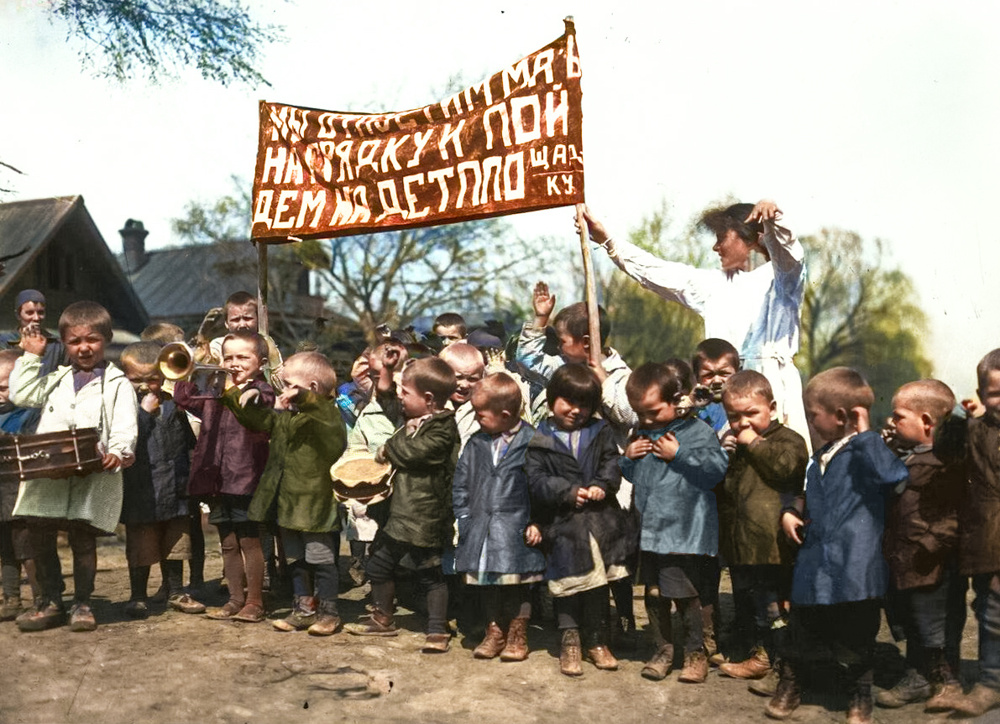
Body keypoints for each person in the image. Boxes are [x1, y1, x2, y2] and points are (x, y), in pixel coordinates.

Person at [579, 201, 808, 444]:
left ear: (752, 238)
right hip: (723, 393)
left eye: (721, 237)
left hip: (773, 387)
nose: (715, 247)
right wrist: (607, 240)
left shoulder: (783, 279)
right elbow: (656, 272)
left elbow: (790, 255)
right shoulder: (714, 285)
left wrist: (775, 222)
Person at [767, 367, 908, 724]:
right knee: (804, 626)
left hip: (855, 563)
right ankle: (792, 681)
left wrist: (865, 432)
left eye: (813, 415)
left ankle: (860, 693)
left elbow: (894, 477)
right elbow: (808, 495)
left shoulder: (867, 452)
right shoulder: (821, 458)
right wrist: (790, 510)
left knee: (858, 633)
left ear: (842, 417)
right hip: (816, 559)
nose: (810, 422)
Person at [10, 301, 138, 632]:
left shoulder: (118, 384)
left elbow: (125, 426)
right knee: (40, 534)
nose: (83, 348)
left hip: (92, 473)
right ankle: (51, 600)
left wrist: (119, 451)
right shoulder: (54, 378)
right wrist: (32, 356)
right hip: (47, 474)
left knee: (83, 538)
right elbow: (21, 394)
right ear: (64, 344)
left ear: (107, 338)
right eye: (75, 341)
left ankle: (82, 602)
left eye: (92, 340)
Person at [223, 352, 348, 636]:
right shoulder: (290, 417)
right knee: (295, 560)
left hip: (315, 506)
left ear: (312, 389)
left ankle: (329, 613)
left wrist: (300, 397)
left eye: (288, 383)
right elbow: (261, 422)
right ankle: (303, 610)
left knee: (322, 560)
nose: (282, 388)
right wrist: (237, 394)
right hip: (288, 504)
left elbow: (324, 415)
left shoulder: (328, 416)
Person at [620, 362, 728, 684]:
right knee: (654, 593)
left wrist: (679, 454)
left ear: (676, 399)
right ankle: (662, 650)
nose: (647, 420)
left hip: (682, 531)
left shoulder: (697, 432)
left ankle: (695, 653)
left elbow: (716, 470)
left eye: (654, 412)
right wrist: (629, 457)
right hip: (650, 531)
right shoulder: (642, 433)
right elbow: (632, 475)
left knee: (683, 592)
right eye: (641, 414)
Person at [525, 364, 633, 677]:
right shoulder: (540, 439)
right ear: (551, 401)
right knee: (568, 585)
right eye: (568, 402)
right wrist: (568, 492)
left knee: (598, 583)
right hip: (564, 523)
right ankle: (570, 640)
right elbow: (535, 479)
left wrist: (602, 485)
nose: (576, 411)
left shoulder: (599, 433)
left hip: (600, 522)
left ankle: (597, 640)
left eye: (584, 405)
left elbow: (611, 464)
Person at [346, 357, 460, 653]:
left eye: (406, 392)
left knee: (430, 574)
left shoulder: (443, 429)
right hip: (398, 515)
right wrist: (385, 370)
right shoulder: (412, 417)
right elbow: (386, 401)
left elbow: (416, 452)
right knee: (379, 565)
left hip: (425, 517)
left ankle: (437, 628)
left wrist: (387, 448)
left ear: (429, 399)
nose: (400, 396)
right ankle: (383, 617)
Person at [876, 379, 966, 711]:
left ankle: (947, 683)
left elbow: (956, 511)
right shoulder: (906, 455)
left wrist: (931, 543)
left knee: (935, 625)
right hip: (905, 559)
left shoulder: (948, 465)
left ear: (927, 422)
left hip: (933, 563)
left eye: (899, 417)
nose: (892, 422)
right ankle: (918, 677)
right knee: (910, 620)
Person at [173, 329, 274, 623]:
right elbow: (184, 398)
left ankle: (255, 601)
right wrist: (191, 367)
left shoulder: (262, 389)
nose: (234, 362)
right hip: (215, 478)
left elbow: (262, 400)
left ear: (261, 362)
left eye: (243, 357)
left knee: (249, 541)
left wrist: (250, 389)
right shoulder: (214, 389)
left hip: (246, 478)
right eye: (228, 357)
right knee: (228, 542)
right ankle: (234, 599)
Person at [715, 370, 808, 685]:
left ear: (772, 407)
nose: (743, 423)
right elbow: (727, 491)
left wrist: (753, 442)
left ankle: (779, 666)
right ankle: (760, 655)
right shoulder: (736, 446)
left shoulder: (788, 440)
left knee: (775, 610)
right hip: (744, 546)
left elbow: (786, 468)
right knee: (754, 607)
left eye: (752, 414)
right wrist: (723, 453)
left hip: (773, 548)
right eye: (733, 416)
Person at [453, 372, 544, 661]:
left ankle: (518, 635)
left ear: (504, 415)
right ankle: (494, 632)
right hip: (481, 526)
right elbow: (461, 481)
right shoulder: (476, 443)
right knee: (488, 583)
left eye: (480, 414)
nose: (477, 419)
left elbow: (542, 487)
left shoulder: (533, 442)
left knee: (518, 586)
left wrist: (537, 521)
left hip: (516, 527)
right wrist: (464, 515)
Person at [933, 349, 1000, 716]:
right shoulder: (976, 431)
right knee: (991, 613)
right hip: (988, 541)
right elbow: (945, 451)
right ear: (981, 393)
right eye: (995, 394)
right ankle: (991, 683)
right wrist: (959, 415)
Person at [118, 342, 203, 618]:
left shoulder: (173, 405)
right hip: (141, 490)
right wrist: (143, 413)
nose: (145, 386)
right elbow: (125, 439)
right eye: (136, 380)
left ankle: (176, 591)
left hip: (175, 487)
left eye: (152, 379)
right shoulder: (125, 408)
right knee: (141, 545)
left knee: (176, 543)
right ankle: (138, 596)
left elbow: (189, 442)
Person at [0, 349, 39, 619]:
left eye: (3, 388)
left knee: (28, 549)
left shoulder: (28, 415)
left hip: (23, 493)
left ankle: (42, 598)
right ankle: (11, 598)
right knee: (6, 551)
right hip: (2, 494)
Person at [0, 290, 65, 433]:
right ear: (18, 314)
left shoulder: (56, 344)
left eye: (40, 312)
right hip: (9, 410)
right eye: (29, 313)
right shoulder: (4, 341)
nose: (36, 318)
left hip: (41, 409)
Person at [207, 291, 284, 387]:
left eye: (247, 318)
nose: (242, 325)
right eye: (235, 320)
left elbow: (281, 387)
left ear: (258, 319)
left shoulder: (266, 344)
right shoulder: (217, 345)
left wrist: (273, 357)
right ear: (226, 323)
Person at [691, 338, 741, 436]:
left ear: (737, 373)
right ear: (697, 377)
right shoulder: (693, 411)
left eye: (724, 373)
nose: (717, 381)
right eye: (709, 375)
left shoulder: (747, 406)